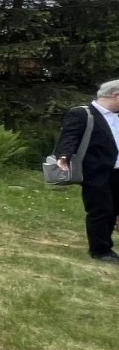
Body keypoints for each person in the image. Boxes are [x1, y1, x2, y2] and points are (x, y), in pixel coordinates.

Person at [55, 80, 119, 263]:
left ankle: (105, 244)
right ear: (116, 96)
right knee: (101, 210)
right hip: (96, 171)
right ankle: (101, 250)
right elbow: (70, 136)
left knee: (114, 210)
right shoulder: (83, 113)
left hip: (117, 172)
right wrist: (64, 156)